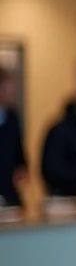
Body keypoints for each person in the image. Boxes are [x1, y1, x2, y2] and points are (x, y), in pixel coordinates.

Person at [0, 67, 28, 207]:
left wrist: (22, 166)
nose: (13, 92)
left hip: (8, 194)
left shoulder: (12, 117)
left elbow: (18, 151)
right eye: (8, 88)